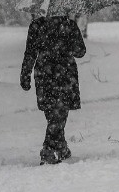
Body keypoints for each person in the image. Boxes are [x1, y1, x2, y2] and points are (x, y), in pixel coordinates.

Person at [20, 13, 86, 165]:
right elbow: (80, 52)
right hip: (65, 73)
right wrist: (69, 42)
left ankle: (61, 146)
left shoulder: (37, 25)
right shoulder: (69, 25)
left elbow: (30, 52)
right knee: (59, 113)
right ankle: (48, 149)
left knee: (52, 112)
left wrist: (25, 74)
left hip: (44, 73)